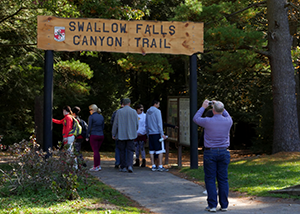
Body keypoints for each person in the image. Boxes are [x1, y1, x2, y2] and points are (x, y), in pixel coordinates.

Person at [193, 100, 233, 212]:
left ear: (213, 110)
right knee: (223, 179)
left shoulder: (207, 121)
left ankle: (212, 205)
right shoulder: (228, 121)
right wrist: (220, 105)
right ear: (222, 110)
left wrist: (203, 106)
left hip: (210, 152)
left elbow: (195, 118)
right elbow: (227, 114)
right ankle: (224, 205)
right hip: (224, 152)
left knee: (210, 179)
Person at [112, 98, 138, 173]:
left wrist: (114, 133)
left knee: (122, 150)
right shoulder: (133, 112)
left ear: (123, 103)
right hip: (131, 134)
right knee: (130, 151)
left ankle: (123, 166)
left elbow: (115, 124)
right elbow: (137, 124)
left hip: (121, 134)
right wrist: (134, 131)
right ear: (129, 103)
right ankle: (130, 165)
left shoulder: (119, 112)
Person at [145, 99, 168, 172]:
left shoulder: (148, 112)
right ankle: (160, 165)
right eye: (158, 104)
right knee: (160, 150)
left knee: (151, 150)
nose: (159, 105)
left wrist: (148, 133)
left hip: (150, 133)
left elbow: (146, 124)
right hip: (157, 133)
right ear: (155, 104)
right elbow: (159, 123)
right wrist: (162, 134)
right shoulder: (157, 111)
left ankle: (153, 165)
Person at [86, 104, 105, 172]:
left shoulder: (91, 117)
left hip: (94, 135)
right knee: (97, 151)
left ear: (92, 110)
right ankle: (98, 165)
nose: (89, 111)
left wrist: (87, 135)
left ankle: (96, 166)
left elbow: (89, 127)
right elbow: (103, 126)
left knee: (95, 151)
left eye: (90, 110)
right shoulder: (101, 117)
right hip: (101, 135)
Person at [111, 99, 124, 169]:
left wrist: (114, 133)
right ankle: (124, 162)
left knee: (118, 148)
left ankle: (118, 161)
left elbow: (113, 123)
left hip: (118, 133)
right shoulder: (131, 112)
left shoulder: (116, 112)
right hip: (126, 134)